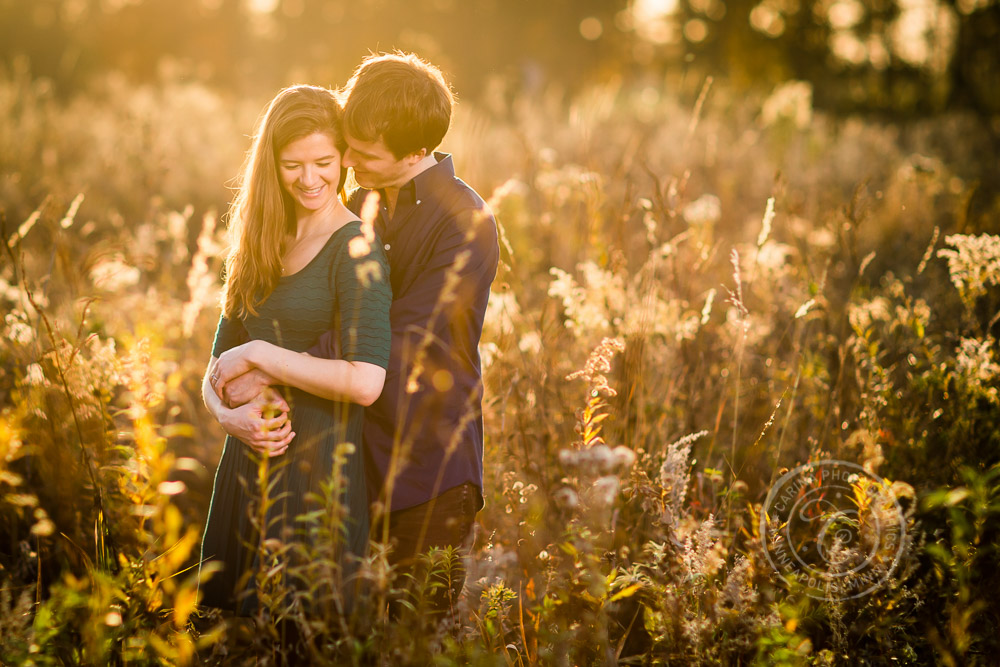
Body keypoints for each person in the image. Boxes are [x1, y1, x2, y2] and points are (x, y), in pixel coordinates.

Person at [216, 53, 499, 613]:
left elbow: (390, 340)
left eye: (361, 154)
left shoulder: (465, 224)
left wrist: (264, 362)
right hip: (348, 461)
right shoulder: (360, 201)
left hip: (426, 471)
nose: (346, 160)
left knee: (413, 637)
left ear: (414, 153)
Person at [198, 84, 392, 615]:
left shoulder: (355, 249)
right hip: (244, 465)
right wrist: (227, 419)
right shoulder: (261, 239)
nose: (310, 179)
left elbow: (367, 381)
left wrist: (261, 353)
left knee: (304, 632)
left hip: (318, 478)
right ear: (271, 163)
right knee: (231, 634)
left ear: (344, 158)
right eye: (293, 165)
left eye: (323, 162)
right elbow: (216, 366)